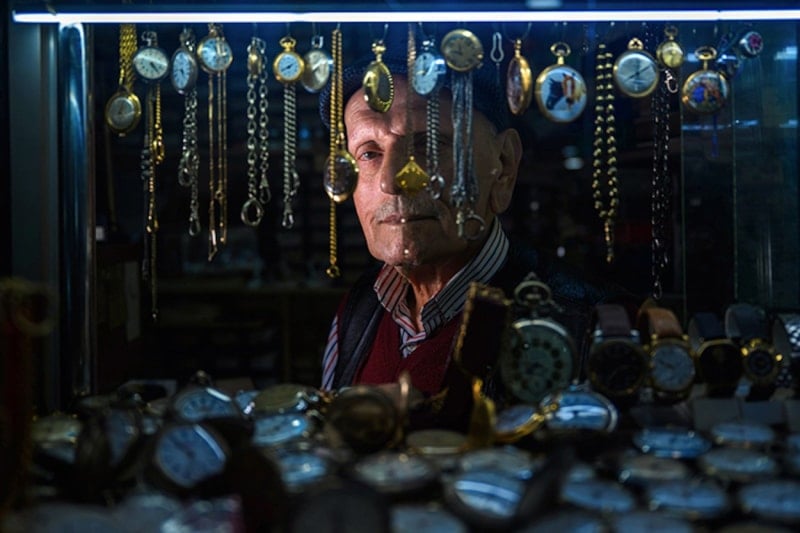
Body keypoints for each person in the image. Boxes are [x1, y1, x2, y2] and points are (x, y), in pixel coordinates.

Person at [319, 25, 635, 430]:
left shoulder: (590, 326)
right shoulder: (357, 312)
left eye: (429, 146)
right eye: (368, 153)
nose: (392, 181)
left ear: (504, 165)